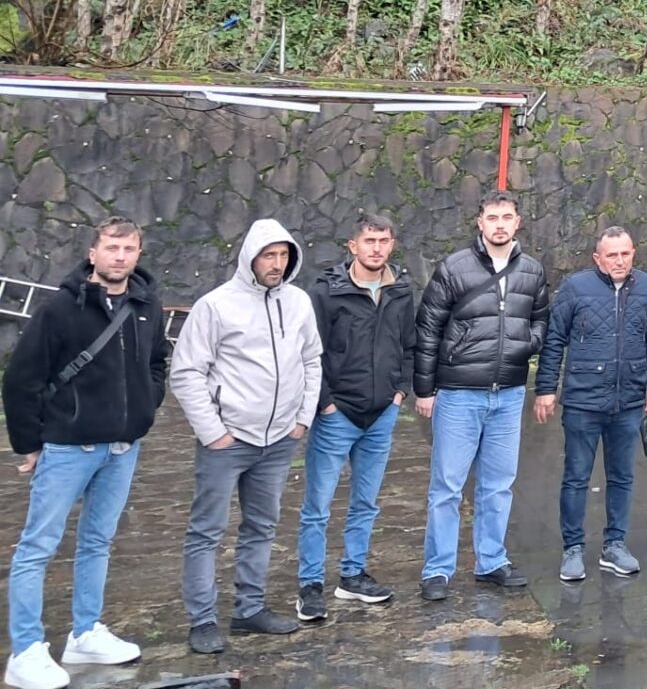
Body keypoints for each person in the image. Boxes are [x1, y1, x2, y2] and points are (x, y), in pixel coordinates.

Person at [3, 218, 167, 688]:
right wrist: (29, 444)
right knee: (38, 546)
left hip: (123, 447)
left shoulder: (147, 306)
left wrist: (145, 405)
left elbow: (157, 362)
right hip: (68, 447)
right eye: (112, 248)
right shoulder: (59, 309)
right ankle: (26, 650)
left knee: (98, 542)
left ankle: (85, 632)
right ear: (93, 254)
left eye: (129, 249)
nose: (120, 256)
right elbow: (21, 379)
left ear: (138, 254)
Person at [173, 219, 323, 653]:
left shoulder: (298, 302)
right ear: (249, 258)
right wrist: (213, 432)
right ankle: (202, 620)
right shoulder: (215, 305)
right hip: (228, 441)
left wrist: (301, 419)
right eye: (268, 255)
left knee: (261, 526)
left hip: (278, 441)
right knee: (207, 531)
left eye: (283, 255)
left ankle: (249, 609)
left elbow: (312, 361)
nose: (276, 264)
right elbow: (186, 371)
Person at [414, 190, 550, 600]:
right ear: (480, 222)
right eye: (492, 217)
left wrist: (527, 344)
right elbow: (428, 329)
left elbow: (542, 320)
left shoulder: (532, 270)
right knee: (447, 487)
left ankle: (491, 560)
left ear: (518, 222)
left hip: (508, 393)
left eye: (506, 217)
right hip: (459, 392)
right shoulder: (454, 268)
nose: (500, 225)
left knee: (499, 484)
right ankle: (438, 569)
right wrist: (424, 389)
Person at [297, 213, 416, 624]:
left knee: (366, 502)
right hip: (337, 414)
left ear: (392, 244)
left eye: (383, 241)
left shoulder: (400, 291)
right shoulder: (326, 292)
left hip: (381, 413)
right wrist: (325, 403)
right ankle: (310, 585)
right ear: (353, 246)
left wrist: (399, 392)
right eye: (369, 241)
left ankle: (353, 575)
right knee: (318, 505)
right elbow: (310, 350)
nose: (376, 248)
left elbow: (409, 346)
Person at [534, 226, 647, 582]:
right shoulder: (576, 288)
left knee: (623, 476)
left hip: (629, 401)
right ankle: (573, 548)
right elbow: (554, 340)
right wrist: (546, 388)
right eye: (612, 255)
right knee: (576, 477)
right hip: (583, 400)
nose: (620, 261)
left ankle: (615, 545)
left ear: (633, 253)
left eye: (625, 253)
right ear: (598, 258)